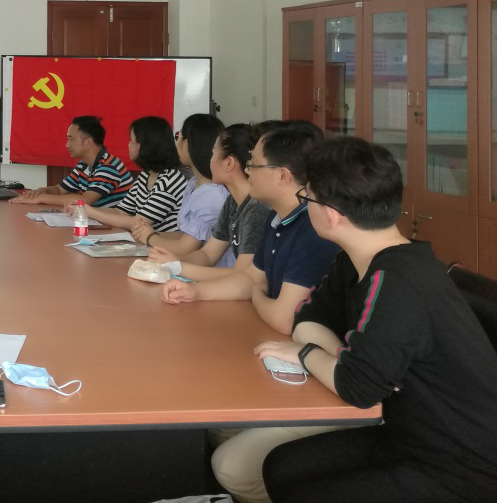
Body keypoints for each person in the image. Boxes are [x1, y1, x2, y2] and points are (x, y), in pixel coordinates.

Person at [260, 137, 497, 503]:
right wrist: (344, 360)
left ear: (331, 214)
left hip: (462, 461)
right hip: (409, 432)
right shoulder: (357, 259)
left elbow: (357, 388)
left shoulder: (396, 280)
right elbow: (306, 317)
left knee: (304, 492)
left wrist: (307, 354)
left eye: (307, 198)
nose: (305, 206)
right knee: (281, 467)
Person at [162, 124, 340, 503]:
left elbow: (280, 316)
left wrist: (255, 292)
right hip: (287, 355)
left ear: (283, 175)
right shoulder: (278, 219)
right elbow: (249, 281)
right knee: (213, 423)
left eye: (254, 164)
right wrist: (195, 292)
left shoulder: (311, 228)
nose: (247, 169)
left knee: (229, 462)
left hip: (326, 376)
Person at [147, 123, 268, 277]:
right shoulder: (232, 201)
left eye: (213, 153)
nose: (210, 160)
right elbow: (207, 254)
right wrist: (173, 261)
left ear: (229, 163)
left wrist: (178, 267)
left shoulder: (258, 208)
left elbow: (243, 276)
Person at [63, 116, 187, 231]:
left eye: (131, 141)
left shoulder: (169, 181)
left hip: (163, 244)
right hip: (146, 241)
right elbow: (120, 211)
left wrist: (88, 211)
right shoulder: (146, 175)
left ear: (145, 145)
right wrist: (81, 209)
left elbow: (138, 222)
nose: (128, 145)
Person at [132, 115, 228, 262]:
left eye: (178, 137)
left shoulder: (212, 194)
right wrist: (147, 233)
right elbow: (186, 235)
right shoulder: (193, 183)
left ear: (187, 145)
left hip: (204, 270)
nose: (175, 143)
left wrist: (150, 237)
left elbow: (186, 248)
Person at [10, 115, 133, 210]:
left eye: (71, 139)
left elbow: (85, 200)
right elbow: (59, 190)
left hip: (115, 228)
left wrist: (41, 198)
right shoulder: (83, 165)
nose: (67, 145)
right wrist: (42, 191)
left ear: (88, 142)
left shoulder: (108, 167)